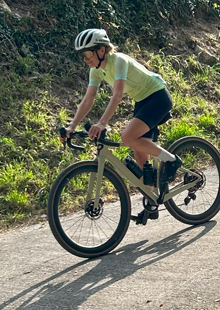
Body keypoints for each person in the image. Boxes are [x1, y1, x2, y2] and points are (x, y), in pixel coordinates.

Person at [60, 28, 180, 190]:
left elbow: (117, 95)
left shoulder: (119, 61)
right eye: (83, 54)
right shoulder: (96, 71)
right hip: (142, 100)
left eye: (88, 53)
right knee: (139, 151)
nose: (85, 58)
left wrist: (102, 123)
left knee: (128, 137)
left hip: (158, 96)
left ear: (102, 50)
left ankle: (172, 160)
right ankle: (152, 200)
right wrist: (72, 126)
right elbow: (89, 99)